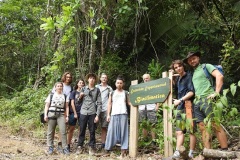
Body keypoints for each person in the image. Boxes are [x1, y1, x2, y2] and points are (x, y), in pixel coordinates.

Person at [184, 51, 228, 150]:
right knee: (202, 127)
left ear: (198, 58)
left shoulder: (206, 66)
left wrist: (216, 92)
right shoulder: (193, 73)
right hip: (197, 102)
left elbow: (219, 76)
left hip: (208, 99)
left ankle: (225, 150)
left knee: (214, 124)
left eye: (194, 58)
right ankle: (208, 152)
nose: (192, 61)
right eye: (190, 60)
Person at [171, 60, 196, 159]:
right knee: (179, 131)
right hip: (180, 107)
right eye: (176, 68)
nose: (178, 69)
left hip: (188, 105)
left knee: (191, 130)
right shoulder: (178, 79)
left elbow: (191, 92)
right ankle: (177, 152)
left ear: (183, 66)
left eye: (179, 66)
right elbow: (177, 90)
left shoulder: (188, 76)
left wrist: (180, 100)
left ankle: (191, 152)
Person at [105, 76, 131, 158]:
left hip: (123, 113)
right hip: (114, 114)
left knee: (124, 132)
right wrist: (108, 114)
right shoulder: (112, 93)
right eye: (118, 83)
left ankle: (123, 151)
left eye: (121, 83)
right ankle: (108, 149)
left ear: (123, 84)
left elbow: (129, 103)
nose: (119, 84)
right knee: (111, 131)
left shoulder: (126, 93)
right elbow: (109, 104)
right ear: (115, 84)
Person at [76, 73, 102, 155]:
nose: (92, 79)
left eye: (93, 78)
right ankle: (80, 146)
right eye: (90, 78)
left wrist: (97, 115)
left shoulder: (97, 90)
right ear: (88, 79)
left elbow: (99, 103)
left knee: (92, 130)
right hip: (83, 111)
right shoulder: (83, 89)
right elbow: (78, 101)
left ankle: (91, 147)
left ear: (95, 80)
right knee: (82, 129)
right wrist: (80, 96)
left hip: (92, 112)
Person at [44, 82, 70, 155]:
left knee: (63, 131)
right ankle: (50, 147)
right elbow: (47, 105)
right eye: (58, 86)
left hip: (61, 114)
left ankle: (65, 147)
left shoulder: (65, 96)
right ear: (55, 87)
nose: (59, 87)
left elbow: (67, 107)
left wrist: (67, 116)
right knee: (50, 131)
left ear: (62, 87)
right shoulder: (51, 95)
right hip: (51, 114)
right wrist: (45, 115)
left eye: (61, 86)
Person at [51, 72, 73, 152]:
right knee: (52, 128)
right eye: (67, 77)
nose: (68, 78)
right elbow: (52, 96)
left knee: (63, 128)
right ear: (64, 77)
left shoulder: (71, 87)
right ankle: (53, 145)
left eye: (69, 77)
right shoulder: (59, 85)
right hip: (55, 109)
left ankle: (62, 144)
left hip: (65, 108)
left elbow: (70, 99)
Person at [138, 74, 159, 144]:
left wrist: (157, 105)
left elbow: (158, 96)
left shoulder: (154, 87)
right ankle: (145, 139)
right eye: (144, 79)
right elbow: (136, 97)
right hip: (142, 108)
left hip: (151, 107)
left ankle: (154, 140)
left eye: (147, 78)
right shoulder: (139, 88)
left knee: (153, 124)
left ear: (149, 78)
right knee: (144, 124)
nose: (146, 80)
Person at [96, 73, 113, 149]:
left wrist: (110, 111)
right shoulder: (96, 87)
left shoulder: (109, 88)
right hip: (96, 109)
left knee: (104, 127)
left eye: (105, 78)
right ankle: (92, 143)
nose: (104, 79)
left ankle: (103, 143)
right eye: (102, 77)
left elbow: (112, 100)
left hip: (105, 109)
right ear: (100, 78)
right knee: (93, 127)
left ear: (107, 79)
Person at [67, 79, 85, 151]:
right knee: (71, 128)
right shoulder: (73, 92)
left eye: (82, 83)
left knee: (81, 129)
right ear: (77, 84)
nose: (81, 84)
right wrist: (74, 113)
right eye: (80, 83)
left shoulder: (85, 92)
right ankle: (68, 144)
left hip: (83, 113)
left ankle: (79, 145)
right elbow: (72, 103)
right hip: (73, 112)